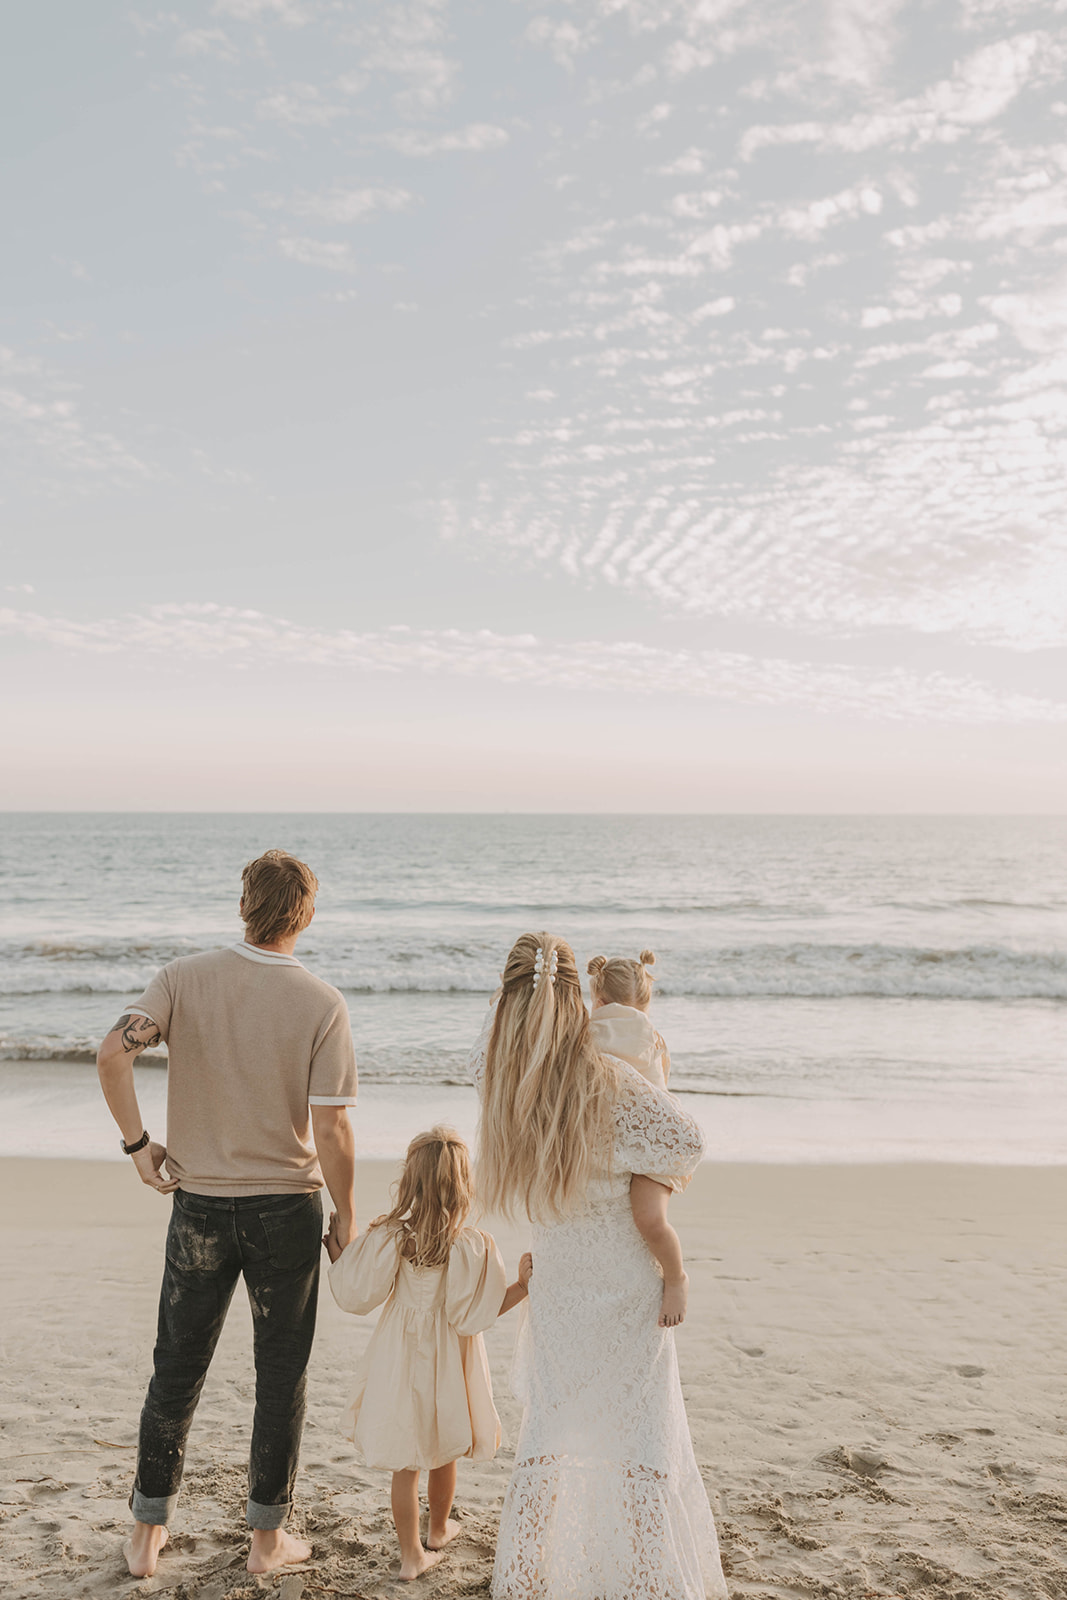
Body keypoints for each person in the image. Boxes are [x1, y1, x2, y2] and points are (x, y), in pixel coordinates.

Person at [96, 849, 358, 1581]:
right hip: (288, 1211)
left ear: (244, 903)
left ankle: (147, 1536)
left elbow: (112, 1055)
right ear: (304, 914)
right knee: (281, 1378)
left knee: (175, 1370)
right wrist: (347, 1213)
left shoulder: (182, 979)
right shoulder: (321, 1001)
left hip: (202, 1209)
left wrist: (140, 1147)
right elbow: (333, 1130)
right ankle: (266, 1544)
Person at [473, 932, 728, 1600]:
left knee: (554, 1427)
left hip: (556, 1278)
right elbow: (686, 1138)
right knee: (639, 1432)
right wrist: (650, 1172)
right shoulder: (609, 1078)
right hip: (620, 1276)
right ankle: (641, 1580)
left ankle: (534, 1576)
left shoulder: (504, 1080)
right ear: (575, 1002)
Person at [324, 1127, 532, 1582]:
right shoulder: (472, 1245)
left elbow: (358, 1292)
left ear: (410, 1182)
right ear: (463, 1185)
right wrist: (521, 1285)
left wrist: (339, 1258)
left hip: (398, 1354)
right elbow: (478, 1312)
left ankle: (410, 1553)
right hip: (448, 1357)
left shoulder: (392, 1237)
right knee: (443, 1448)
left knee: (406, 1459)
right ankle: (437, 1530)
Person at [588, 949, 689, 1329]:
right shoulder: (592, 1030)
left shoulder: (646, 1036)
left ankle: (677, 1277)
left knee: (650, 1220)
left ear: (597, 1000)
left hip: (651, 1148)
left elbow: (657, 1097)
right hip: (616, 1143)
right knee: (645, 1221)